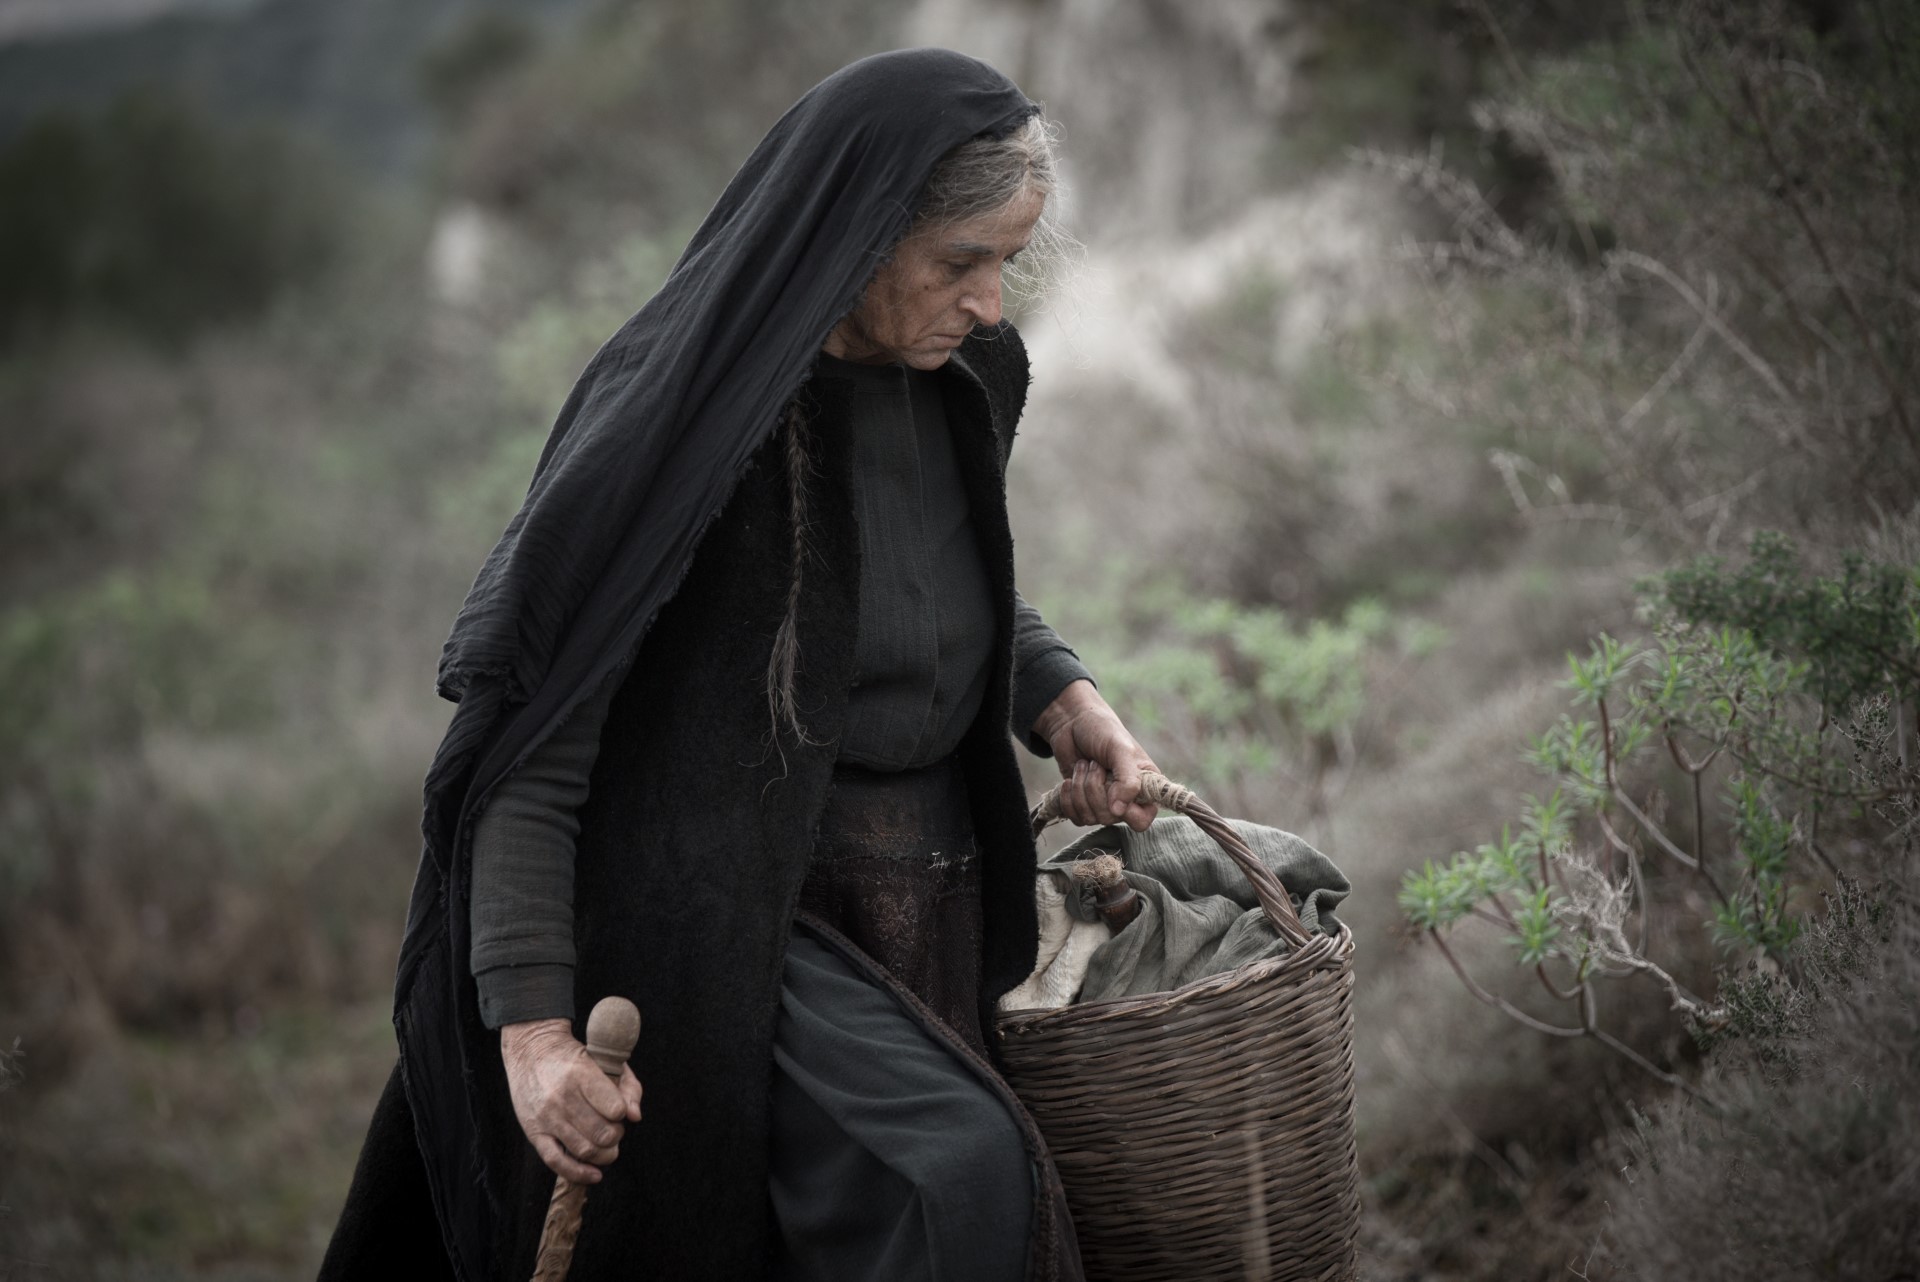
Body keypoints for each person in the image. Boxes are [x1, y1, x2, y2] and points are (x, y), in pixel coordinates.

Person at [321, 47, 1157, 1282]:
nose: (991, 301)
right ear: (863, 235)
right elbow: (531, 750)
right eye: (961, 262)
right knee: (959, 1174)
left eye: (1006, 262)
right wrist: (536, 1034)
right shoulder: (678, 424)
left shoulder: (961, 377)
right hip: (729, 918)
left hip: (937, 889)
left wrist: (1062, 691)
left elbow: (921, 579)